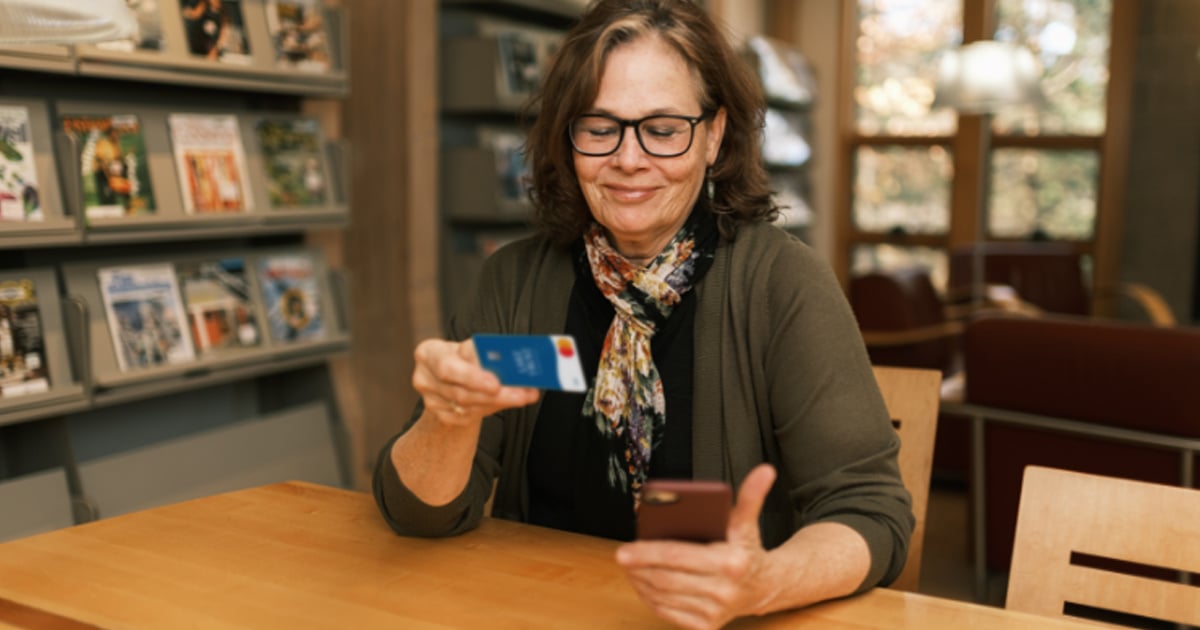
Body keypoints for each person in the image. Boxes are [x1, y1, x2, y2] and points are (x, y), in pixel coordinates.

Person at [373, 1, 913, 628]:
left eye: (662, 129)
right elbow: (420, 516)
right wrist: (448, 418)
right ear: (566, 138)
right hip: (537, 608)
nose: (628, 159)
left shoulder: (780, 284)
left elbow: (871, 512)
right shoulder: (515, 280)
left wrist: (764, 584)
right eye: (600, 127)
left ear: (714, 135)